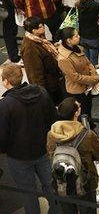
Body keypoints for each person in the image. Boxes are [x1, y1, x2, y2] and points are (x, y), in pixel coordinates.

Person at [0, 63, 58, 214]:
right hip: (43, 149)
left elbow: (2, 134)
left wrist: (4, 150)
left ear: (6, 81)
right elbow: (53, 119)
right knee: (51, 185)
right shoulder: (41, 92)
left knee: (28, 193)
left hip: (19, 156)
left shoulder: (5, 104)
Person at [46, 98, 99, 213]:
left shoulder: (51, 134)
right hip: (86, 182)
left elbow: (50, 155)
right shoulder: (87, 135)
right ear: (76, 113)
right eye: (78, 106)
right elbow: (98, 155)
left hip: (62, 179)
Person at [57, 26, 99, 117]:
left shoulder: (77, 47)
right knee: (82, 114)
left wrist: (94, 74)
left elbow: (88, 63)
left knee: (88, 110)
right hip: (77, 91)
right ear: (68, 40)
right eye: (76, 36)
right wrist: (93, 79)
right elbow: (75, 77)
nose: (79, 37)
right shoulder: (63, 59)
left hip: (87, 87)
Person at [21, 16, 64, 104]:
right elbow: (35, 75)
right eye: (40, 27)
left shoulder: (39, 38)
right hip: (48, 87)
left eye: (43, 25)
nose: (43, 27)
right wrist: (42, 94)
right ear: (33, 30)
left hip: (54, 81)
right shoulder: (30, 48)